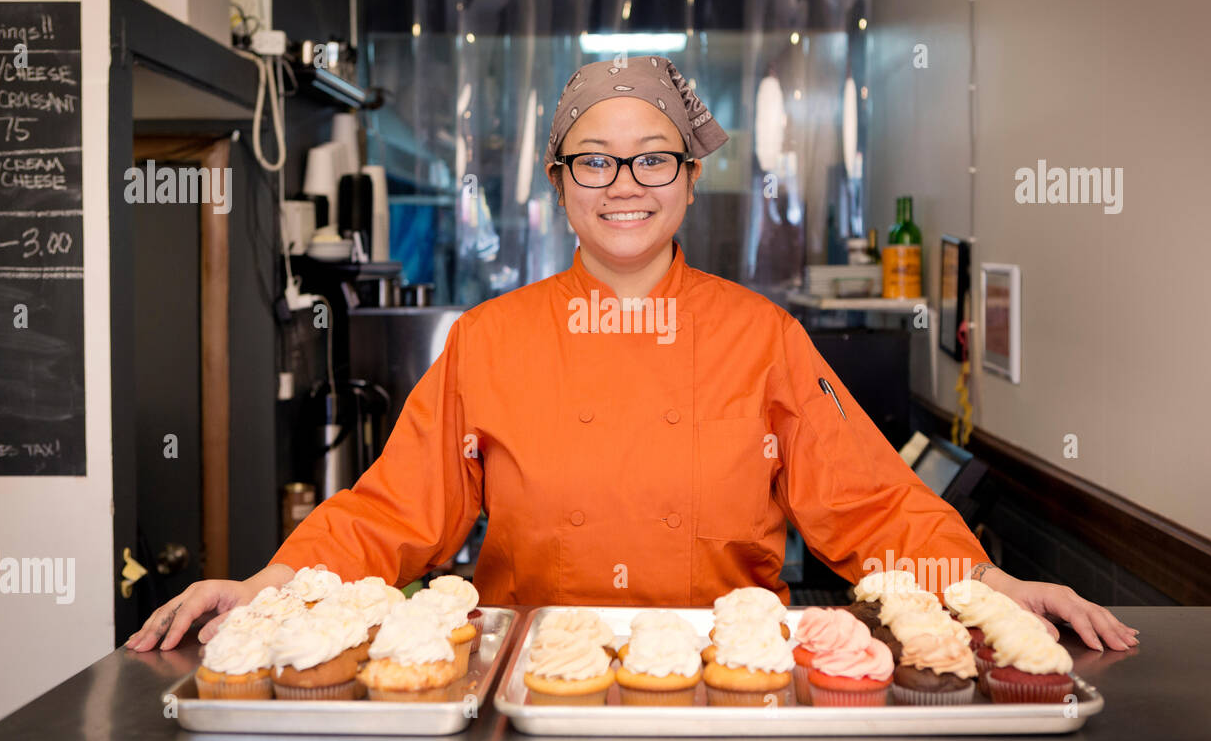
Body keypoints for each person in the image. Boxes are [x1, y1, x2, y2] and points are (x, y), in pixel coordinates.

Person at [128, 56, 1137, 655]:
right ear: (563, 182)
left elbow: (871, 505)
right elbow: (394, 513)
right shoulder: (491, 339)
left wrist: (986, 585)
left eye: (652, 157)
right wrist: (269, 583)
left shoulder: (762, 337)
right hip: (530, 683)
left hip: (724, 683)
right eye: (595, 160)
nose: (625, 183)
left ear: (689, 179)